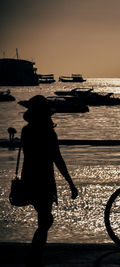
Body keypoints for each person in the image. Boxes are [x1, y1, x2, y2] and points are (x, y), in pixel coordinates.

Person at [20, 95, 78, 265]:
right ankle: (34, 258)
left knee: (43, 219)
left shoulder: (26, 131)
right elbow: (57, 159)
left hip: (29, 178)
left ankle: (35, 256)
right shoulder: (48, 133)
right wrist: (70, 184)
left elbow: (29, 155)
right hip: (44, 179)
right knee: (45, 221)